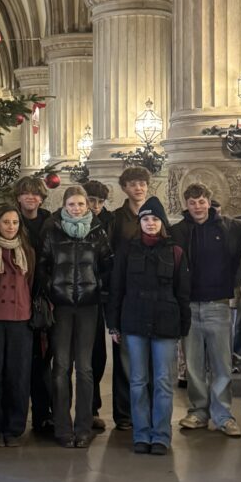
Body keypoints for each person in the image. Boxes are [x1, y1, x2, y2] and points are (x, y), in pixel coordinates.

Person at [108, 196, 190, 456]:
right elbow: (116, 289)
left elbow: (182, 292)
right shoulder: (127, 250)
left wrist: (183, 326)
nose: (150, 223)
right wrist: (114, 324)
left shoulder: (175, 251)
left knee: (164, 381)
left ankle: (161, 436)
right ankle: (141, 434)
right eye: (145, 219)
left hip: (165, 323)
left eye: (155, 219)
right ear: (140, 223)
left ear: (162, 222)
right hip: (134, 322)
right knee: (138, 380)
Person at [170, 183, 241, 438]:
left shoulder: (229, 227)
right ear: (187, 205)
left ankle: (224, 415)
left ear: (209, 201)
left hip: (218, 304)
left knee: (221, 364)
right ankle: (198, 412)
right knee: (193, 366)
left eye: (201, 201)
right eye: (192, 203)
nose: (197, 207)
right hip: (190, 305)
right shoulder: (179, 230)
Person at [38, 186, 111, 448]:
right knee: (60, 368)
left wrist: (97, 289)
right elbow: (43, 266)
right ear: (65, 206)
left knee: (85, 368)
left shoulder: (97, 232)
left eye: (81, 204)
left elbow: (106, 265)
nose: (77, 208)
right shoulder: (53, 231)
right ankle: (62, 426)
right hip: (61, 307)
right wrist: (53, 290)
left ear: (87, 206)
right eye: (72, 204)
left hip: (89, 307)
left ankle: (83, 427)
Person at [0, 205, 35, 448]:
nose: (11, 226)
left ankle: (14, 427)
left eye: (15, 222)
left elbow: (31, 282)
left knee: (18, 374)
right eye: (6, 222)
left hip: (20, 318)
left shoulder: (28, 252)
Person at [107, 167, 152, 431]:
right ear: (124, 188)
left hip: (151, 294)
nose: (138, 188)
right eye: (133, 184)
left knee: (149, 359)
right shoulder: (116, 219)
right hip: (125, 293)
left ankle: (146, 410)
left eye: (142, 183)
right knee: (124, 357)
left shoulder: (154, 216)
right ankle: (124, 414)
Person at [12, 176, 54, 434]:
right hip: (17, 295)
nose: (31, 198)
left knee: (42, 360)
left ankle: (43, 414)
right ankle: (16, 415)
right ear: (18, 197)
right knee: (18, 360)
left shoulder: (50, 222)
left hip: (42, 296)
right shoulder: (10, 221)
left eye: (36, 194)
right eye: (26, 193)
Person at [83, 179, 113, 429]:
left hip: (99, 294)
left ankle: (92, 407)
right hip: (70, 297)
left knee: (96, 353)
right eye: (90, 200)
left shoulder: (109, 222)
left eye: (99, 202)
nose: (94, 206)